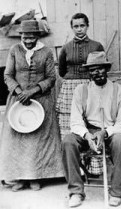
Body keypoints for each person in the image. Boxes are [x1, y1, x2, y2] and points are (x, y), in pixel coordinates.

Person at [0, 20, 63, 191]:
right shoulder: (15, 50)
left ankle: (36, 177)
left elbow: (51, 77)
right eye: (25, 37)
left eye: (32, 37)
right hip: (18, 100)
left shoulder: (46, 52)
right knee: (18, 140)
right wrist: (19, 91)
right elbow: (8, 75)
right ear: (21, 36)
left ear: (37, 36)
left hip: (41, 101)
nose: (28, 41)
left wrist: (33, 91)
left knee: (37, 140)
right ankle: (20, 177)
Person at [62, 51, 121, 207]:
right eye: (93, 69)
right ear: (89, 71)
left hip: (111, 132)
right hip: (88, 132)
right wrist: (87, 135)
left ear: (106, 69)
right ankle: (76, 191)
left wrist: (105, 132)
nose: (97, 72)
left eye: (100, 68)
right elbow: (75, 121)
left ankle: (117, 192)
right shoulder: (81, 90)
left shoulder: (120, 91)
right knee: (68, 141)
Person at [56, 13, 104, 140]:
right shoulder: (66, 48)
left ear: (87, 26)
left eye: (82, 25)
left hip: (91, 85)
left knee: (91, 116)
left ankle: (93, 148)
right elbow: (61, 71)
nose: (79, 29)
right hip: (70, 86)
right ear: (72, 28)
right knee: (71, 118)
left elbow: (102, 68)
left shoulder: (96, 46)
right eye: (76, 26)